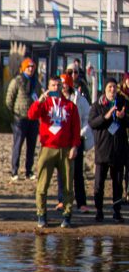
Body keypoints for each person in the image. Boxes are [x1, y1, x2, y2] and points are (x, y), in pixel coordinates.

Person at [28, 75, 80, 228]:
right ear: (48, 87)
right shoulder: (44, 104)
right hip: (48, 148)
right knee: (42, 184)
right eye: (53, 85)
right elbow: (31, 115)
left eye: (59, 85)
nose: (56, 88)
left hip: (65, 149)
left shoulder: (70, 106)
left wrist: (75, 146)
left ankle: (67, 215)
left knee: (68, 185)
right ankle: (41, 215)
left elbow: (76, 129)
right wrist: (39, 101)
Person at [88, 79, 128, 222]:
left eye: (114, 87)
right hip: (103, 149)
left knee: (117, 183)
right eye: (110, 87)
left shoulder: (123, 103)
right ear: (105, 89)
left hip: (118, 149)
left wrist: (123, 118)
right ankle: (99, 211)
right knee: (99, 183)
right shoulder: (97, 105)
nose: (112, 90)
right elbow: (92, 123)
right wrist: (105, 117)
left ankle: (117, 212)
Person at [56, 73, 93, 214]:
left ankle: (81, 203)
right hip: (61, 140)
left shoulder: (80, 100)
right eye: (61, 83)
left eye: (66, 83)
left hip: (77, 139)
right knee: (61, 172)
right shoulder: (56, 98)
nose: (63, 85)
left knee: (77, 172)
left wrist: (80, 134)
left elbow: (86, 118)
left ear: (70, 84)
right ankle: (62, 200)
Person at [6, 58, 40, 182]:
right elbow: (9, 99)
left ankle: (29, 171)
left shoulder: (37, 82)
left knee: (31, 147)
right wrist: (15, 112)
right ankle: (14, 171)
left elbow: (39, 98)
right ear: (24, 68)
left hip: (33, 119)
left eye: (32, 66)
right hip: (20, 118)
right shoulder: (17, 81)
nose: (30, 69)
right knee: (17, 145)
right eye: (28, 66)